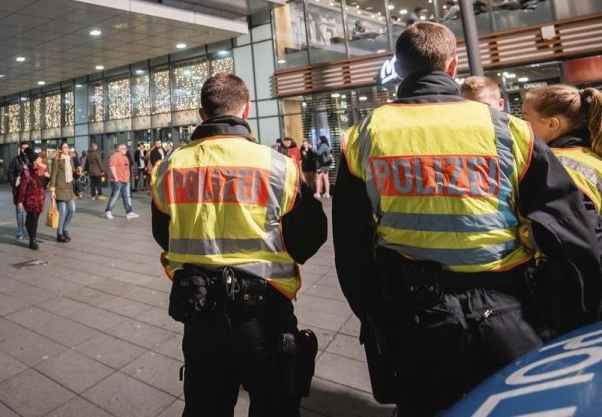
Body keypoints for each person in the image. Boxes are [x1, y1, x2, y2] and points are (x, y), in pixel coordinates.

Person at [333, 22, 602, 416]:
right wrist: (578, 318)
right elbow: (571, 235)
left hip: (415, 315)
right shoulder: (512, 131)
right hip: (507, 311)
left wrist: (375, 314)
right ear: (453, 66)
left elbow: (351, 246)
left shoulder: (364, 134)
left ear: (399, 68)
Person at [151, 73, 328, 416]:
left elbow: (163, 231)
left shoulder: (171, 166)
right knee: (274, 404)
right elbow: (312, 233)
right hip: (263, 310)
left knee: (206, 406)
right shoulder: (277, 164)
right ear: (245, 110)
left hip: (198, 308)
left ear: (202, 113)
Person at [522, 85, 602, 246]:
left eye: (525, 118)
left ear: (552, 124)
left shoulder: (553, 166)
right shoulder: (594, 155)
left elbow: (568, 239)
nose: (522, 125)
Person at [17, 148, 45, 250]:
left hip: (40, 199)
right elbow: (23, 187)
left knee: (33, 219)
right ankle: (32, 241)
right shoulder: (27, 172)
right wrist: (20, 201)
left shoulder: (40, 169)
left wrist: (45, 173)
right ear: (34, 160)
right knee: (33, 219)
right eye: (39, 158)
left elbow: (43, 184)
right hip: (31, 199)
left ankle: (28, 227)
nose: (41, 159)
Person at [104, 143, 139, 220]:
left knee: (127, 197)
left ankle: (129, 212)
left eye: (126, 148)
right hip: (118, 180)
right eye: (123, 148)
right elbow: (112, 166)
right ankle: (108, 210)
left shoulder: (126, 157)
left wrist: (128, 178)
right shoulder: (115, 155)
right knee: (115, 196)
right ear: (118, 149)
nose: (125, 149)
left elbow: (126, 168)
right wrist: (116, 178)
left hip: (125, 180)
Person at [50, 142, 76, 243]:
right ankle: (59, 233)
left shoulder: (70, 159)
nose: (66, 149)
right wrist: (52, 190)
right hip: (59, 188)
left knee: (72, 209)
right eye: (64, 147)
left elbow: (73, 172)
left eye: (67, 147)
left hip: (69, 188)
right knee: (62, 211)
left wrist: (78, 171)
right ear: (60, 149)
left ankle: (64, 229)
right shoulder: (57, 160)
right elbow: (53, 175)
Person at [7, 141, 31, 239]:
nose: (24, 150)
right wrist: (14, 185)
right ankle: (20, 231)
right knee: (19, 211)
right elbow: (10, 172)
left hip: (30, 190)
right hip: (19, 189)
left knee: (31, 212)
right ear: (20, 149)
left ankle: (30, 230)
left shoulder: (33, 159)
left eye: (26, 148)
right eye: (22, 148)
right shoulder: (16, 160)